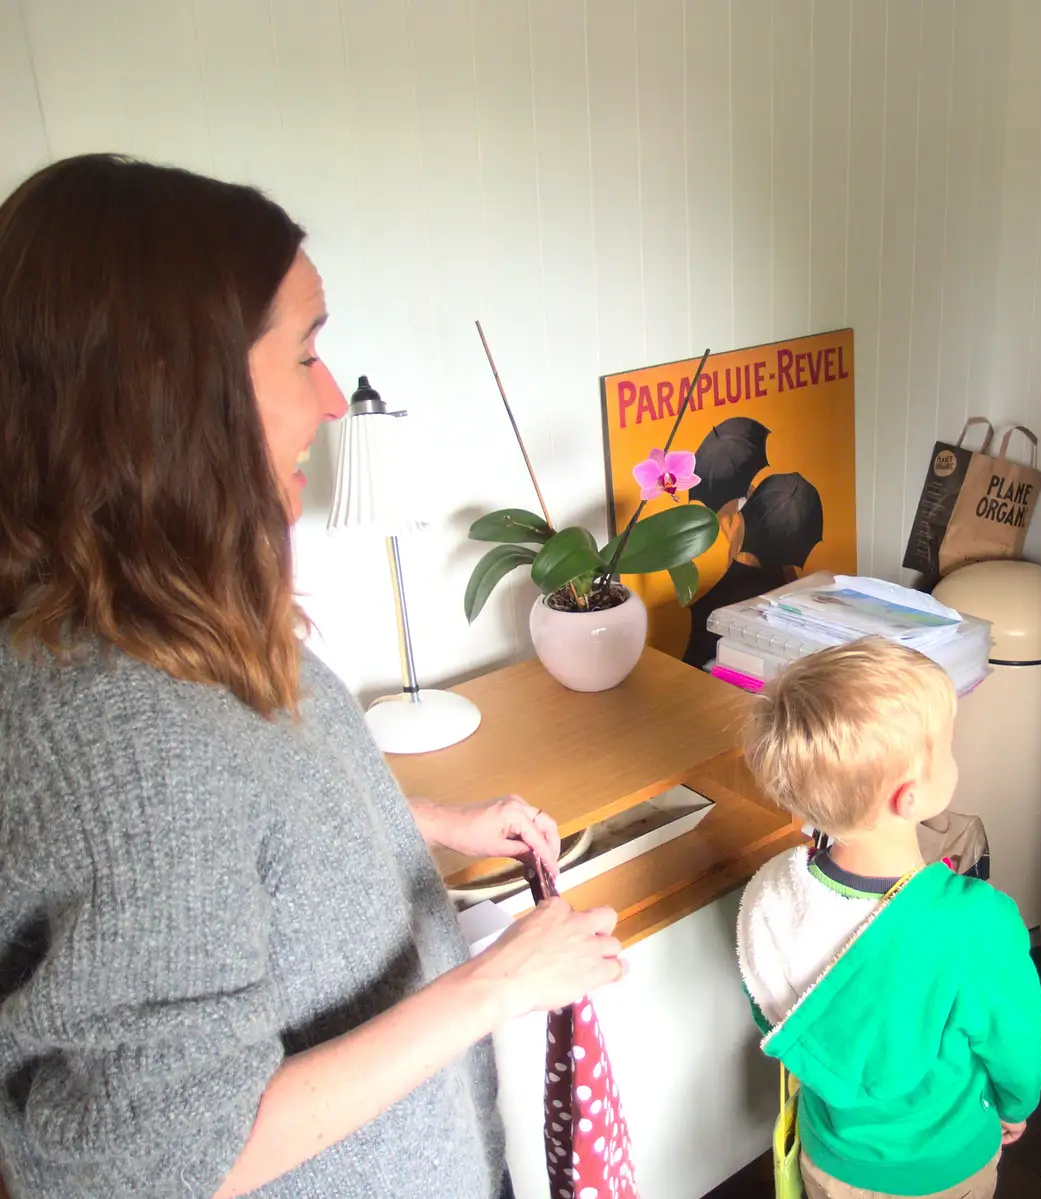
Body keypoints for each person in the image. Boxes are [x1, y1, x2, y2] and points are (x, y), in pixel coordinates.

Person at [0, 154, 626, 1199]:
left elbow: (231, 834)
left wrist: (423, 816)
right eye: (305, 353)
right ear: (176, 394)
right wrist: (499, 982)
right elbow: (154, 1165)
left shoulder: (173, 610)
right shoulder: (119, 729)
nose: (333, 398)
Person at [736, 639, 1041, 1199]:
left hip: (831, 1159)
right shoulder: (978, 922)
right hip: (944, 1168)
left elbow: (777, 1017)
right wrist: (1016, 1104)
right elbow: (1016, 1039)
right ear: (909, 798)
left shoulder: (772, 894)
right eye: (948, 747)